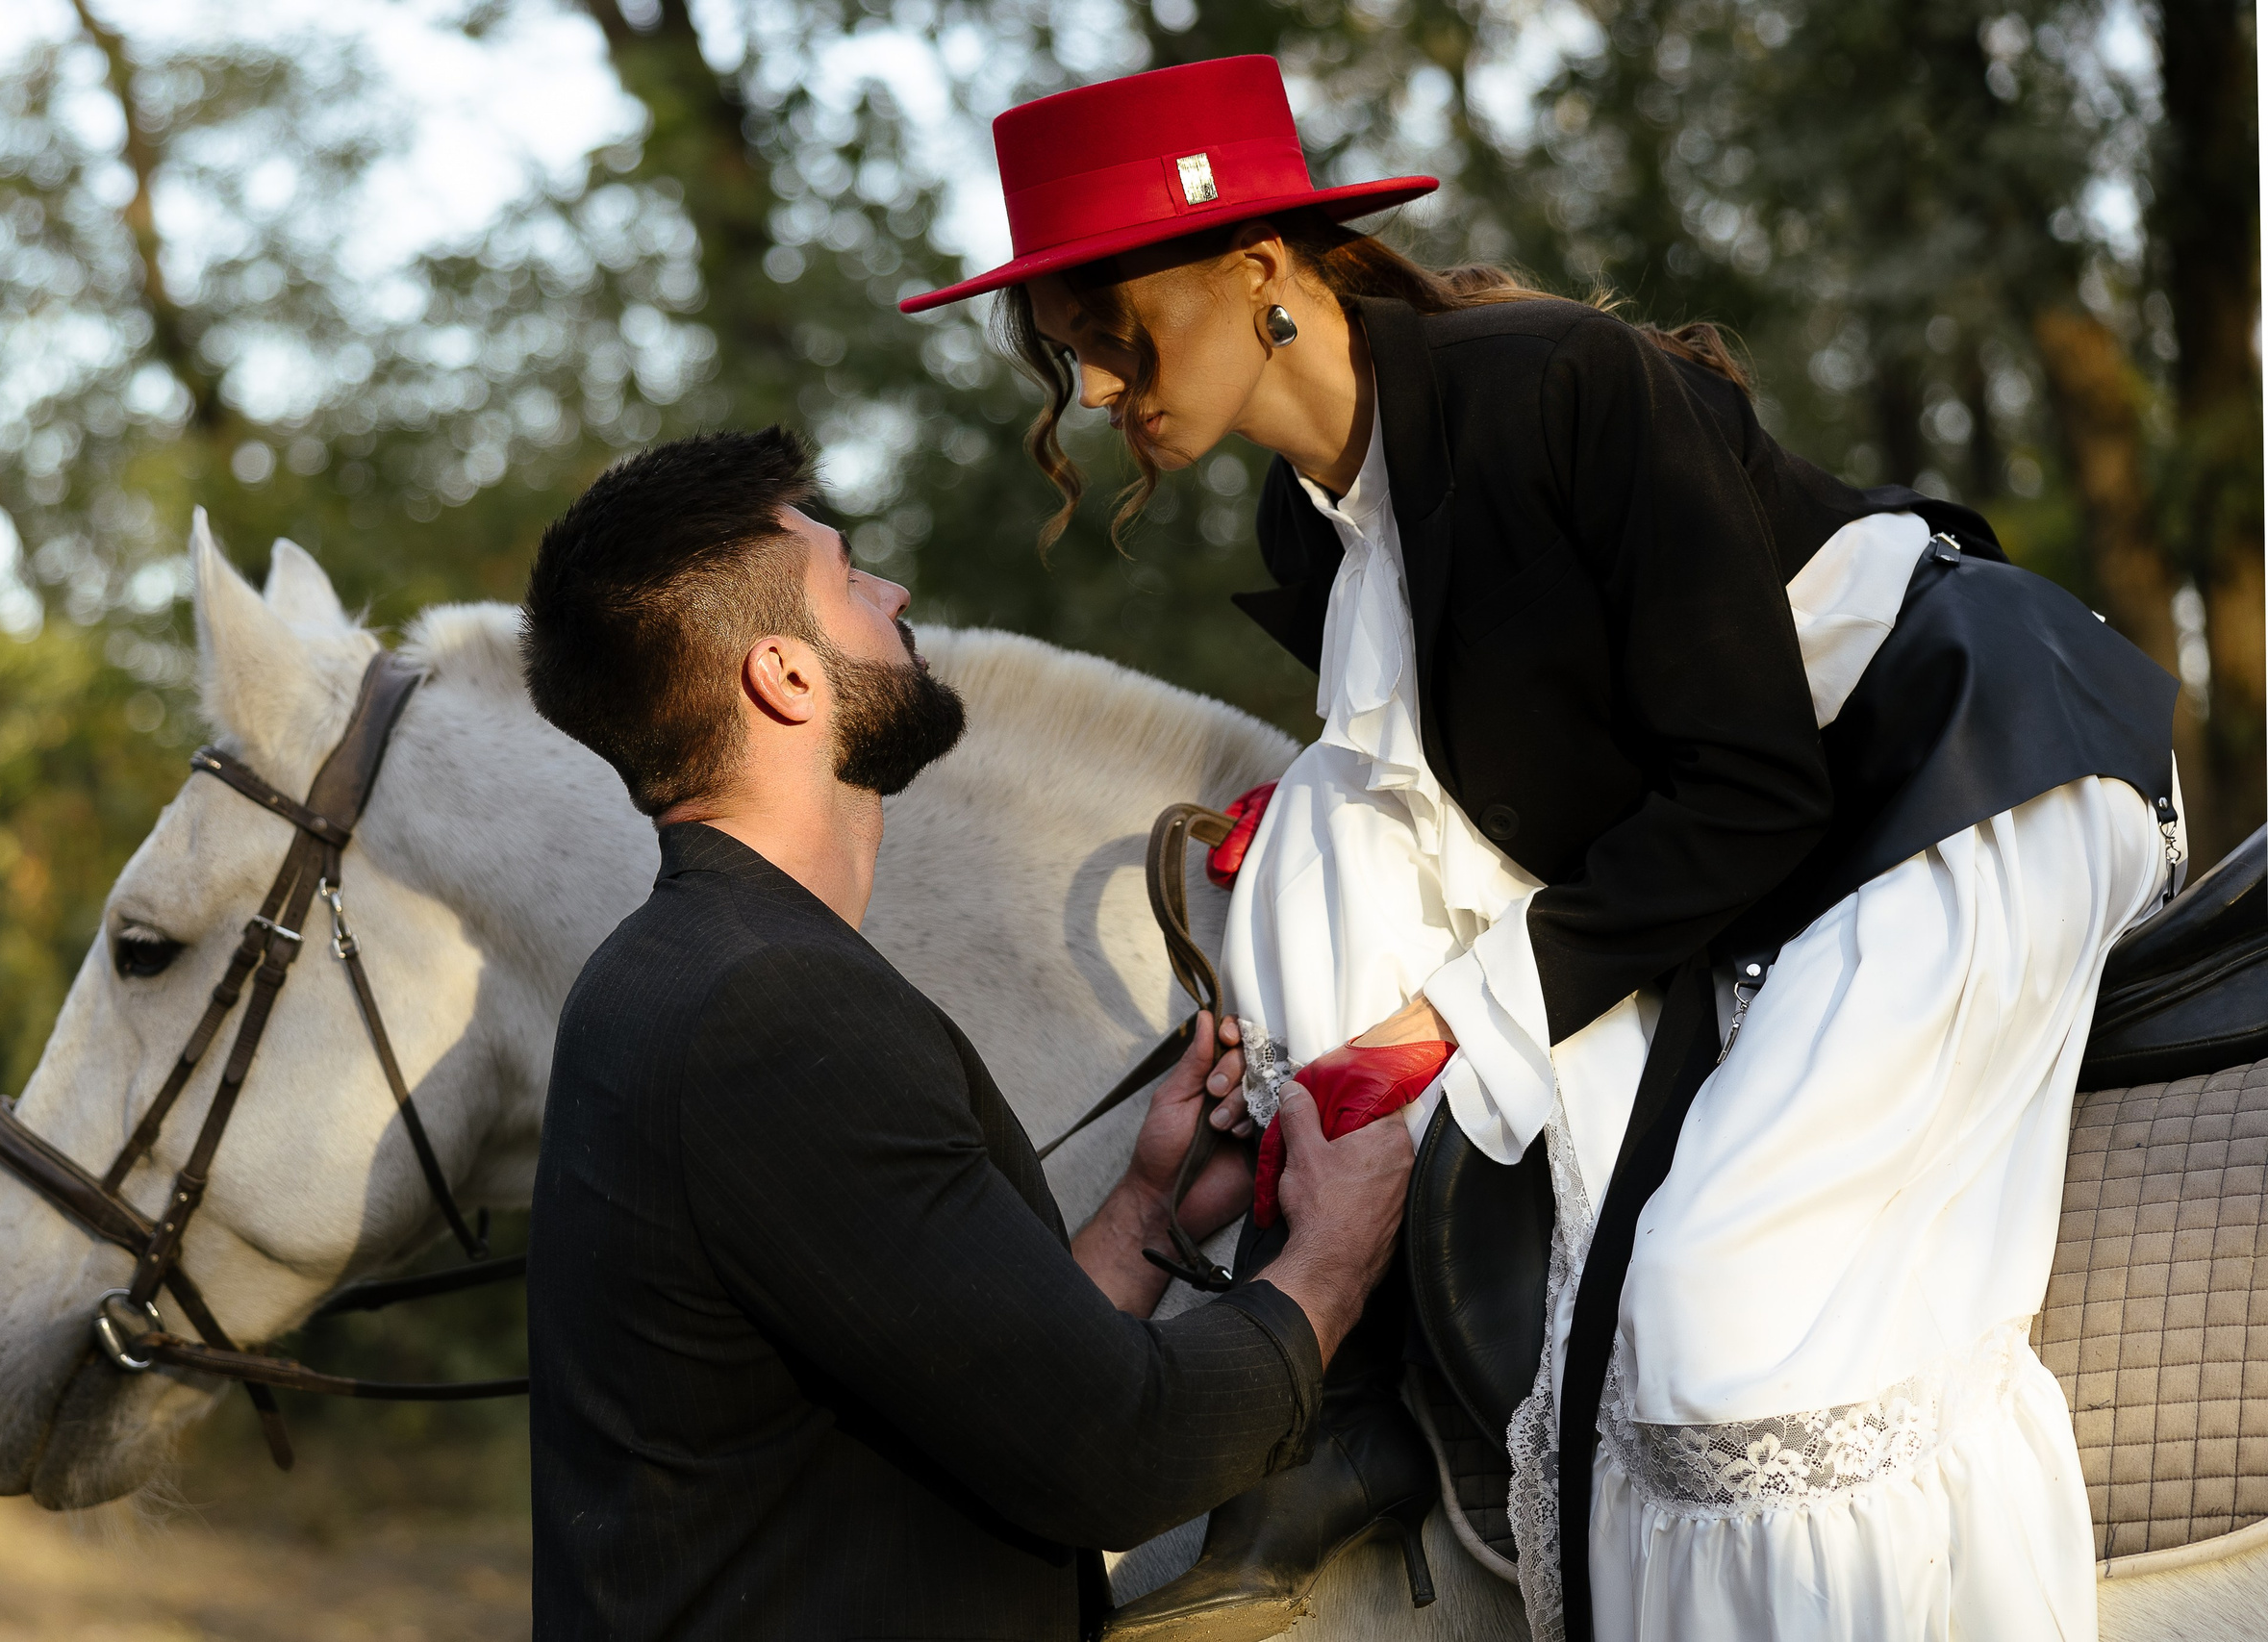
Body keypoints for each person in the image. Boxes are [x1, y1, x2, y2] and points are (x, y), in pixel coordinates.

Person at [901, 54, 2181, 1642]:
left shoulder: (1559, 383)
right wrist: (1306, 1095)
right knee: (1314, 827)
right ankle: (1347, 1397)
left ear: (1260, 264)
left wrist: (1452, 1023)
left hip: (1958, 771)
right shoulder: (1311, 527)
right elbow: (1467, 824)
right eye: (1066, 350)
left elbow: (1752, 787)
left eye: (1111, 326)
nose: (1095, 389)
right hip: (1758, 872)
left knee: (1729, 1318)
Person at [516, 425, 1418, 1642]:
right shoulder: (774, 1010)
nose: (893, 595)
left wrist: (1144, 1213)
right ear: (785, 678)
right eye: (849, 579)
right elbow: (1116, 1450)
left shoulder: (670, 971)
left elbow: (968, 1380)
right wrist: (1336, 1256)